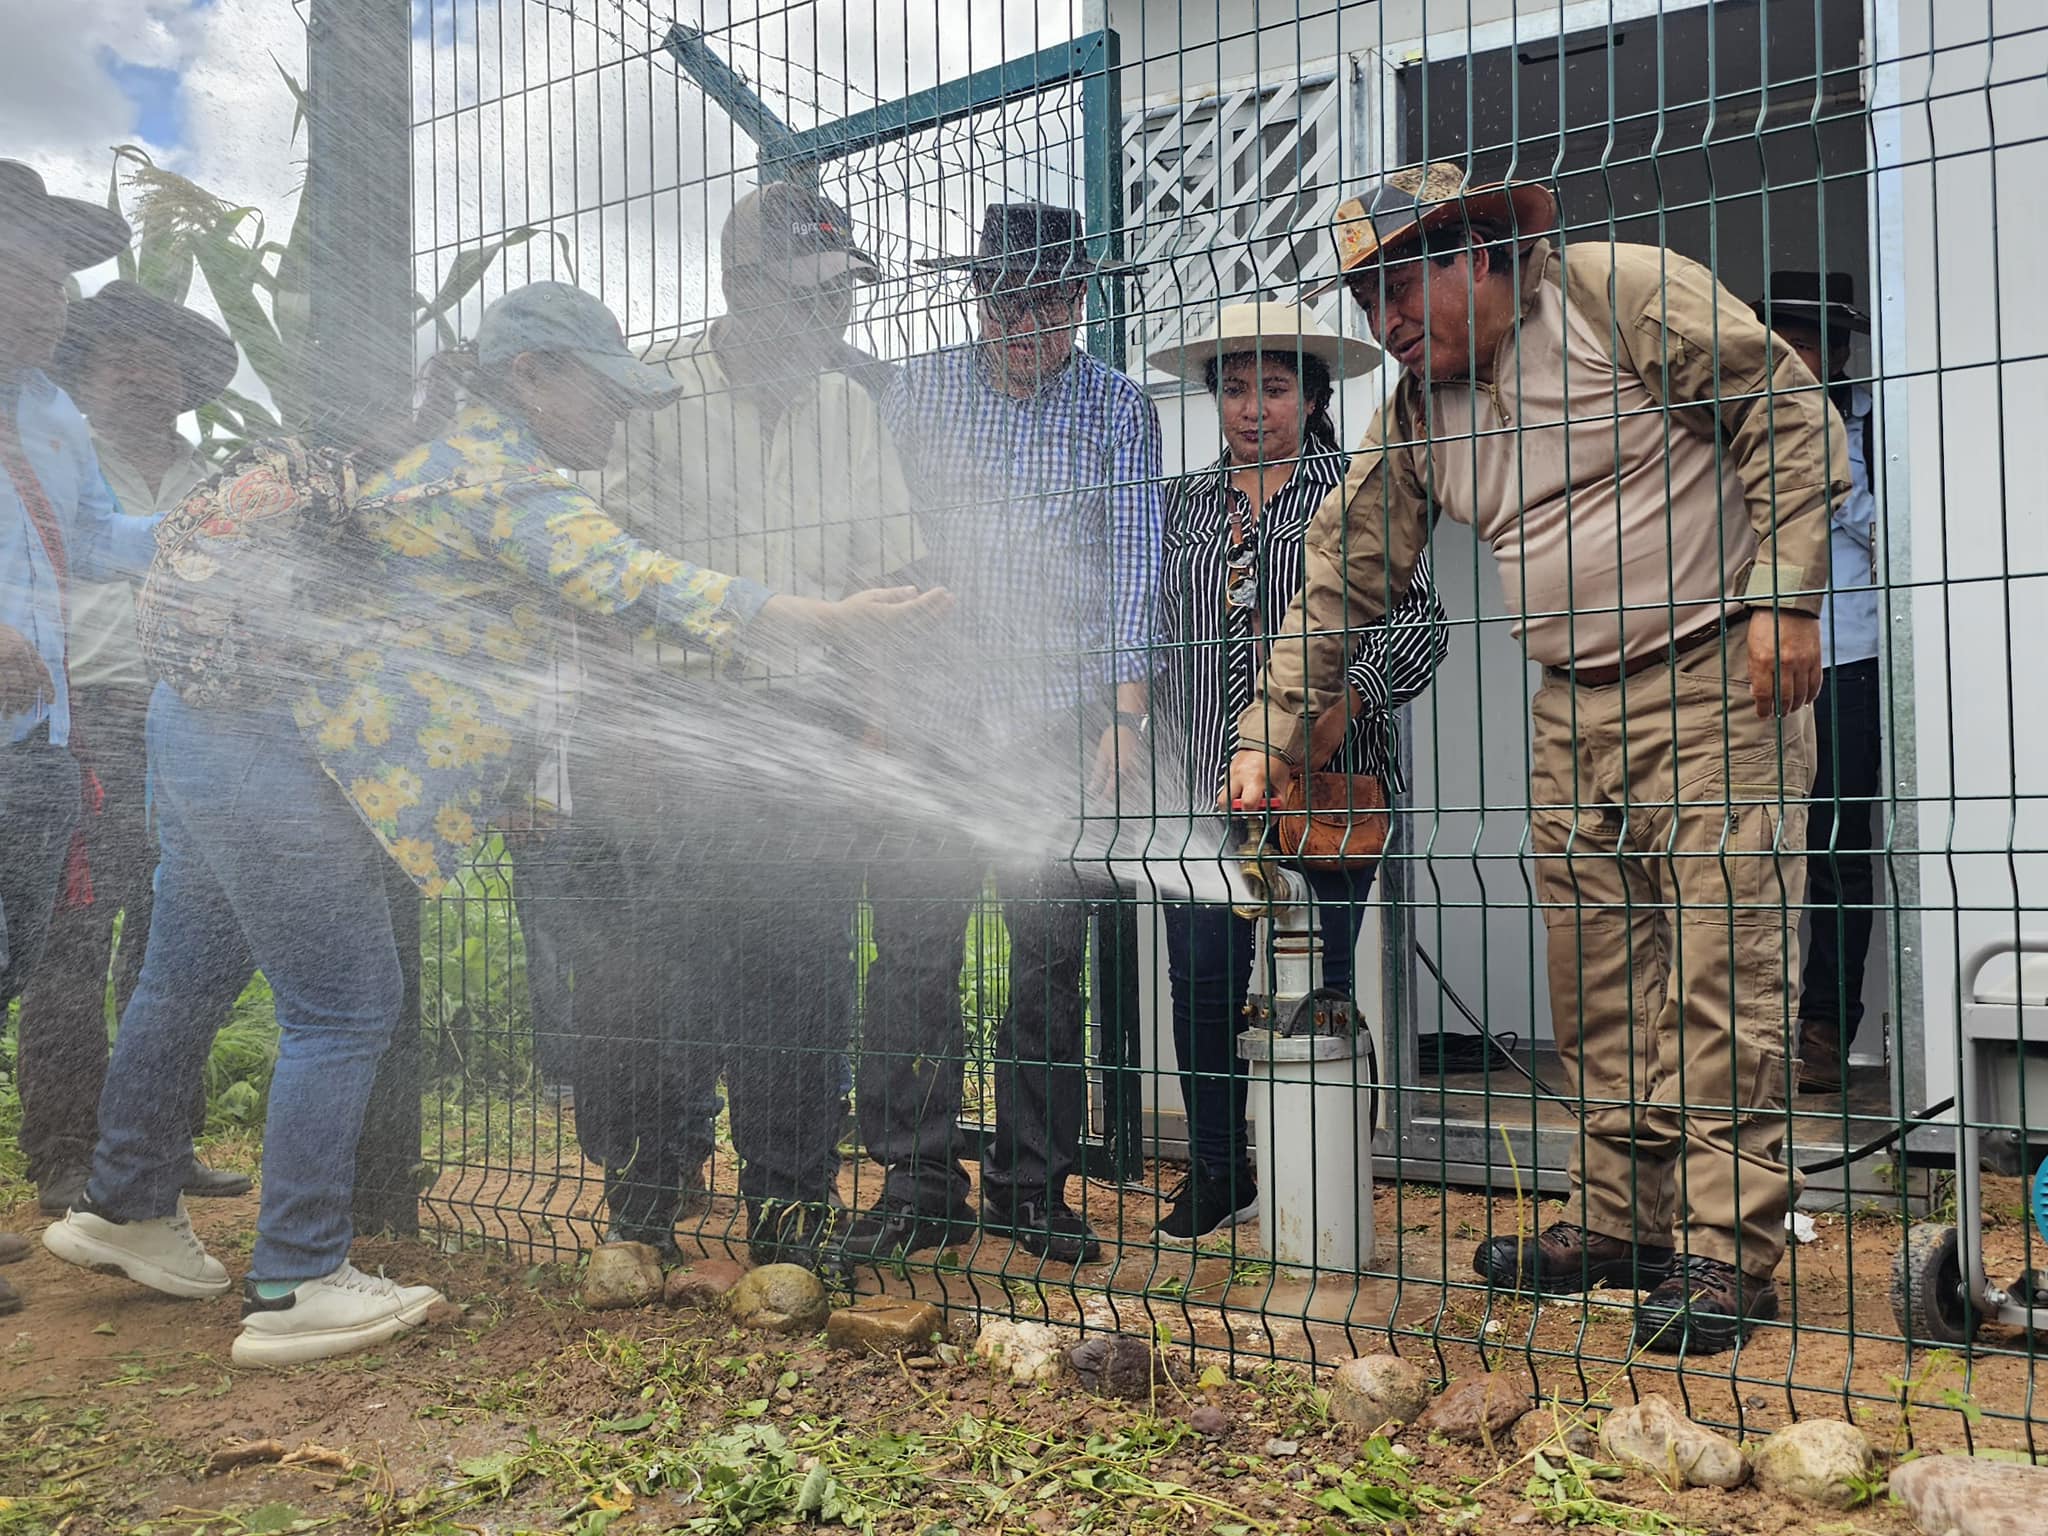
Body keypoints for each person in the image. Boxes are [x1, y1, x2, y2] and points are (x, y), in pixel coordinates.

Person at [42, 281, 947, 1365]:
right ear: (532, 376)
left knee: (181, 973)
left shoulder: (411, 444)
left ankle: (126, 1204)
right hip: (279, 753)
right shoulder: (495, 473)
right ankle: (296, 1281)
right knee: (344, 1006)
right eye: (604, 393)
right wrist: (823, 616)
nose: (621, 415)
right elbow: (635, 581)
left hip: (193, 724)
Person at [1226, 163, 1847, 1352]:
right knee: (1593, 981)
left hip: (1719, 676)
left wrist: (1783, 594)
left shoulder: (1619, 296)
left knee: (1723, 974)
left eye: (1400, 287)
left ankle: (1729, 1257)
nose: (1384, 323)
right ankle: (1620, 1224)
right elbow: (1339, 572)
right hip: (1566, 702)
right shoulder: (1414, 406)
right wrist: (1268, 733)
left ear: (1479, 256)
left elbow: (1782, 407)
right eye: (1364, 304)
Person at [565, 179, 923, 1268]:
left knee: (803, 970)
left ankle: (789, 1209)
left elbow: (887, 569)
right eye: (807, 292)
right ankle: (648, 1196)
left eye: (842, 291)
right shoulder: (657, 391)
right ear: (739, 289)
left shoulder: (852, 405)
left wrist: (874, 715)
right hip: (680, 716)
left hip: (807, 722)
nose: (832, 315)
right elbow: (609, 574)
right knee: (662, 971)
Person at [845, 202, 1162, 1267]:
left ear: (1080, 300)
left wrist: (1121, 720)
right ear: (977, 299)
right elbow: (879, 553)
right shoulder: (915, 393)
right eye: (1010, 300)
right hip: (930, 716)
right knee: (914, 957)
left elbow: (1132, 567)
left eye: (1054, 301)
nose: (1032, 323)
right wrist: (879, 704)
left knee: (1045, 963)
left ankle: (1031, 1187)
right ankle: (918, 1178)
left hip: (1054, 723)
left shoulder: (1118, 408)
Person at [1147, 302, 1447, 1241]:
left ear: (1313, 396)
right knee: (1200, 983)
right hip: (1201, 790)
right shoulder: (1179, 506)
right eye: (1233, 389)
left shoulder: (1353, 490)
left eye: (1273, 389)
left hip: (1327, 792)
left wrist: (1343, 702)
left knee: (1317, 995)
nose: (1250, 410)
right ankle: (1216, 1171)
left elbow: (1421, 625)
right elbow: (1151, 636)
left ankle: (1319, 1180)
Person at [19, 281, 254, 1215]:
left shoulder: (213, 479)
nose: (141, 373)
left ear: (186, 378)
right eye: (120, 355)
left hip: (194, 718)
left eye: (161, 358)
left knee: (174, 943)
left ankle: (159, 1141)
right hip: (88, 716)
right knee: (71, 943)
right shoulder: (57, 455)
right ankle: (66, 1156)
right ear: (82, 369)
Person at [0, 162, 159, 1317]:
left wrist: (215, 522)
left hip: (37, 740)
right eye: (21, 266)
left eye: (58, 270)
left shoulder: (50, 411)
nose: (48, 293)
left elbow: (101, 542)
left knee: (12, 967)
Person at [1755, 272, 1881, 1096]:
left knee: (1834, 852)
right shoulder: (1734, 420)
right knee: (1748, 851)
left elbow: (1889, 532)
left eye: (1810, 342)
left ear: (1838, 352)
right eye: (1783, 339)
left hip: (1847, 661)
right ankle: (1752, 1035)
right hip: (1752, 666)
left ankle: (1823, 1030)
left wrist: (1821, 468)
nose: (1796, 357)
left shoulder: (1874, 425)